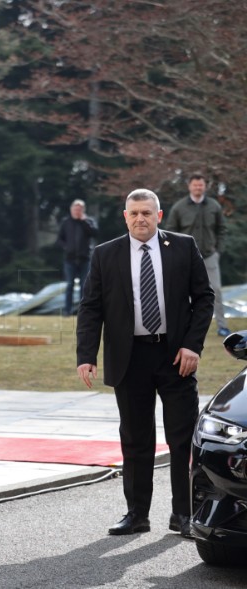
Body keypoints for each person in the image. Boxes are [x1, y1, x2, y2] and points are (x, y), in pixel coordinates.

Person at [76, 188, 214, 539]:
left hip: (175, 358)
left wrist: (192, 346)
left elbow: (204, 297)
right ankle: (137, 514)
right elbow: (91, 307)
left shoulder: (183, 247)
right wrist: (86, 356)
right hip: (129, 358)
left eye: (147, 213)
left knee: (182, 439)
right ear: (125, 216)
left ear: (159, 216)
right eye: (134, 213)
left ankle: (184, 514)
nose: (140, 219)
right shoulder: (106, 254)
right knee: (136, 440)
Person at [164, 173, 229, 336]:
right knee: (184, 292)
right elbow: (170, 231)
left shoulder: (214, 206)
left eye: (201, 185)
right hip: (186, 258)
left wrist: (218, 250)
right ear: (189, 186)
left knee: (216, 290)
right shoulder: (179, 207)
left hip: (209, 256)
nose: (198, 187)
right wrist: (175, 253)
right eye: (195, 185)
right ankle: (186, 326)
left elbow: (222, 229)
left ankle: (222, 326)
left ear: (205, 186)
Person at [56, 199, 98, 316]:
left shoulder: (88, 221)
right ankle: (67, 310)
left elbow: (94, 233)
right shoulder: (66, 222)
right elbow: (59, 239)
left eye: (79, 209)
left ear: (83, 210)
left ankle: (82, 310)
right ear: (71, 210)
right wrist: (66, 247)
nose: (77, 211)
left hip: (85, 259)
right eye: (75, 209)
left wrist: (84, 221)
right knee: (69, 285)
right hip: (70, 259)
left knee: (84, 286)